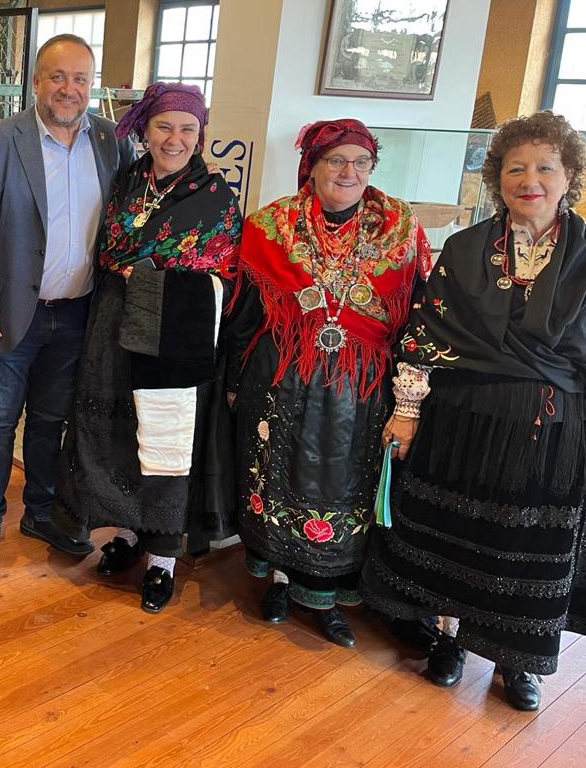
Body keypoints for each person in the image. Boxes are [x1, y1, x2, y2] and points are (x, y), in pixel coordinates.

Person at [362, 110, 586, 711]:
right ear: (497, 178)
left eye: (545, 167)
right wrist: (406, 411)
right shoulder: (464, 249)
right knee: (456, 536)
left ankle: (517, 663)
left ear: (569, 177)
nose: (529, 179)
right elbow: (424, 332)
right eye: (515, 167)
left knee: (527, 543)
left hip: (550, 428)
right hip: (459, 419)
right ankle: (448, 638)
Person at [228, 119, 430, 647]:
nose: (349, 172)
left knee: (344, 483)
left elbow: (418, 317)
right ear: (312, 167)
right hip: (280, 378)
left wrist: (409, 399)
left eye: (360, 162)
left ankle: (328, 590)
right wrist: (233, 382)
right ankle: (277, 579)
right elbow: (244, 315)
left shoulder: (401, 228)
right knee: (272, 476)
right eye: (336, 160)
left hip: (359, 388)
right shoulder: (271, 227)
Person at [52, 83, 242, 612]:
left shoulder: (215, 197)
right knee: (114, 432)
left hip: (175, 329)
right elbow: (107, 247)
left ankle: (163, 558)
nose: (175, 138)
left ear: (200, 134)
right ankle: (131, 533)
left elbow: (223, 270)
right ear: (145, 129)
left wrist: (153, 275)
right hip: (113, 321)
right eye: (164, 126)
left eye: (187, 128)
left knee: (164, 441)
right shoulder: (128, 180)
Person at [0, 33, 136, 573]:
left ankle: (39, 512)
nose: (69, 89)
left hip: (78, 312)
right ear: (36, 82)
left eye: (80, 78)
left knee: (52, 421)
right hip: (9, 315)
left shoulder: (109, 141)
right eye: (58, 77)